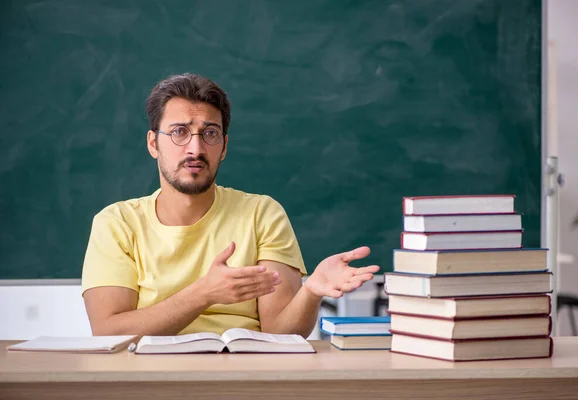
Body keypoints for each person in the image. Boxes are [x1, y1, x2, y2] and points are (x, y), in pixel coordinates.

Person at [81, 73, 379, 338]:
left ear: (223, 147)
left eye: (209, 133)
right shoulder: (117, 223)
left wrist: (311, 291)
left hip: (243, 375)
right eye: (179, 132)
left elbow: (282, 332)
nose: (195, 149)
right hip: (151, 379)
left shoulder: (262, 214)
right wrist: (204, 293)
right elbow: (108, 331)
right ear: (152, 143)